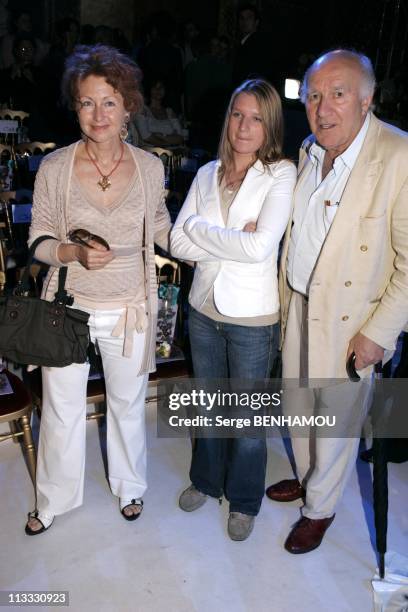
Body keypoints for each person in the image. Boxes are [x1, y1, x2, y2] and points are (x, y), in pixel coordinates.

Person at [266, 49, 408, 554]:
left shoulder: (398, 156)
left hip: (354, 321)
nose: (322, 108)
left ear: (368, 99)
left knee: (337, 421)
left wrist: (378, 334)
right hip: (301, 303)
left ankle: (320, 508)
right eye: (314, 96)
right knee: (300, 406)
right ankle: (310, 479)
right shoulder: (308, 149)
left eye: (338, 94)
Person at [25, 44, 171, 535]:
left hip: (130, 306)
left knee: (128, 404)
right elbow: (39, 239)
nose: (98, 114)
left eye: (109, 101)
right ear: (76, 107)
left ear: (129, 105)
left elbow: (164, 231)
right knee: (62, 409)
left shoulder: (150, 168)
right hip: (69, 306)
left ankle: (130, 487)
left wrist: (218, 235)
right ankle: (55, 499)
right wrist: (74, 253)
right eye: (87, 102)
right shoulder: (55, 167)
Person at [171, 79, 296, 541]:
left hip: (250, 317)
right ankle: (205, 480)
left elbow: (262, 247)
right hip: (203, 307)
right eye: (237, 114)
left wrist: (202, 231)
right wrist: (232, 238)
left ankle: (244, 500)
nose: (244, 126)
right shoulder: (207, 173)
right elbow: (174, 239)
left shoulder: (281, 173)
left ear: (270, 125)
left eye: (256, 117)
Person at [133, 78, 184, 148]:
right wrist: (169, 140)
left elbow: (180, 137)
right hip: (150, 154)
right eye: (155, 87)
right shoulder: (142, 110)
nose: (158, 90)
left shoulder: (169, 111)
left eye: (161, 87)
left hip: (172, 153)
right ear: (149, 89)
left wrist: (161, 136)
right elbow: (146, 137)